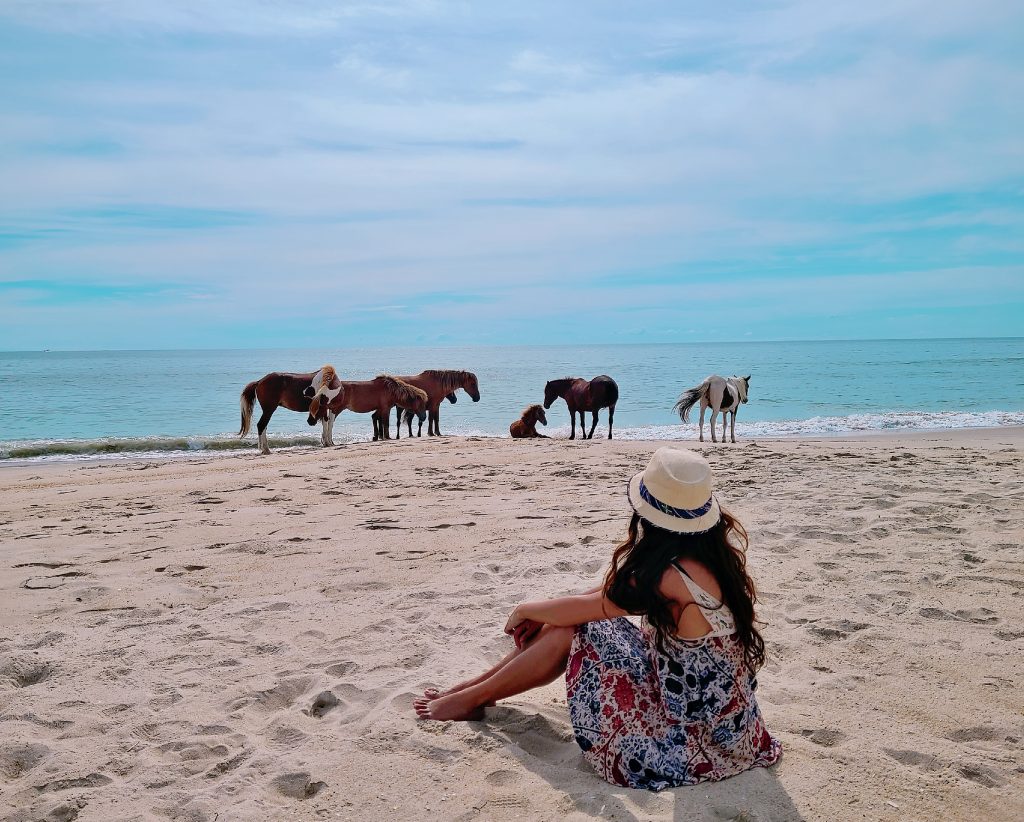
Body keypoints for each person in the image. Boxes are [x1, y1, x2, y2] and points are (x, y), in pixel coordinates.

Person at [414, 446, 781, 791]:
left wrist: (526, 610)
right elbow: (601, 595)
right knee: (572, 618)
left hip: (690, 737)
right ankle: (475, 690)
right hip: (733, 727)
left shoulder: (670, 578)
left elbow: (590, 609)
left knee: (573, 627)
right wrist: (545, 610)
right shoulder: (709, 557)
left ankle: (474, 696)